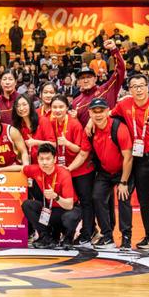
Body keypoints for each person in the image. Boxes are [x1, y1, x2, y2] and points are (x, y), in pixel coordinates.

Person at [109, 73, 149, 253]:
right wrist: (90, 122)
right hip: (139, 158)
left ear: (147, 87)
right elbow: (107, 116)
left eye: (142, 85)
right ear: (130, 90)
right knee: (144, 200)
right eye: (135, 86)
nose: (139, 89)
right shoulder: (124, 105)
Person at [86, 98, 133, 250]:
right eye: (95, 111)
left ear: (108, 111)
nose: (98, 114)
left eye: (101, 111)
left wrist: (124, 182)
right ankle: (107, 236)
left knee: (123, 199)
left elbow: (128, 157)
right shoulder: (91, 130)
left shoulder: (119, 128)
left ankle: (126, 237)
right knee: (97, 197)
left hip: (123, 171)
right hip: (105, 171)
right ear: (90, 113)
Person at [50, 95, 95, 246]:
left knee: (86, 201)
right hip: (63, 170)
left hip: (80, 169)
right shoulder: (51, 123)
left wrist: (67, 144)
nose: (58, 110)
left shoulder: (74, 124)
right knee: (67, 202)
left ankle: (87, 233)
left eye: (61, 107)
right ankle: (65, 233)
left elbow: (81, 150)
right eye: (55, 107)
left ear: (67, 108)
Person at [21, 143, 81, 249]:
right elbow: (22, 168)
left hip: (66, 208)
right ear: (37, 160)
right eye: (41, 159)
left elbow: (69, 205)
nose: (44, 162)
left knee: (70, 217)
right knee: (27, 205)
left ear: (55, 159)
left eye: (48, 159)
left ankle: (68, 237)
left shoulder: (64, 174)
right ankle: (45, 237)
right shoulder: (36, 169)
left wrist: (55, 196)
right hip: (50, 209)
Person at [71, 39, 126, 126]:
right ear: (78, 82)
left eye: (89, 77)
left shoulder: (107, 89)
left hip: (109, 133)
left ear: (95, 79)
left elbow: (120, 70)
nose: (86, 80)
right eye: (82, 78)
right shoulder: (75, 102)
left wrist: (114, 49)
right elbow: (77, 128)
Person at [12, 94, 55, 164]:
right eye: (18, 106)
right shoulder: (18, 126)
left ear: (30, 105)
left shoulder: (43, 121)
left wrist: (36, 142)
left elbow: (53, 145)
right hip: (28, 164)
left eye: (24, 104)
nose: (21, 108)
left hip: (45, 163)